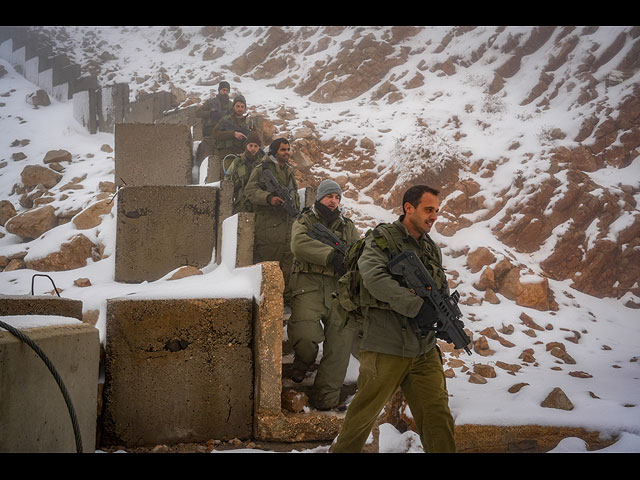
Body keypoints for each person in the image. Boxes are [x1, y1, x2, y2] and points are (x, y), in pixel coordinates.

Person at [330, 185, 456, 453]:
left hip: (423, 349)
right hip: (386, 346)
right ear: (408, 208)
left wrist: (443, 321)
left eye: (436, 211)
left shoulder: (431, 248)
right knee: (362, 417)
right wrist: (417, 307)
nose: (434, 216)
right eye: (428, 209)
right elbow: (373, 278)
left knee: (437, 416)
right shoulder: (382, 239)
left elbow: (439, 290)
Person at [287, 180, 360, 409]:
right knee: (306, 335)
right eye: (329, 196)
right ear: (319, 197)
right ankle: (303, 361)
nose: (334, 201)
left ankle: (324, 402)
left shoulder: (347, 226)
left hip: (340, 291)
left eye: (337, 197)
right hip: (308, 286)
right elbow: (298, 244)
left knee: (339, 349)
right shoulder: (305, 219)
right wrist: (332, 256)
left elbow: (358, 253)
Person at [244, 138, 300, 294]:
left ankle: (284, 303)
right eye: (283, 149)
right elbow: (250, 191)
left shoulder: (288, 171)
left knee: (287, 269)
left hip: (288, 227)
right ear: (275, 151)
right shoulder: (262, 169)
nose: (287, 152)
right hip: (269, 228)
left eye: (288, 149)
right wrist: (269, 198)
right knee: (268, 272)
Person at [225, 131, 265, 214]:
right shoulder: (238, 161)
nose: (253, 148)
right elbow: (227, 180)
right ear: (246, 146)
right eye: (251, 146)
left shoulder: (263, 163)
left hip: (257, 202)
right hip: (241, 201)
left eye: (256, 146)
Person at [195, 81, 232, 165]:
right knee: (208, 160)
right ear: (219, 90)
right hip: (210, 134)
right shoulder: (211, 102)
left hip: (224, 134)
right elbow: (198, 113)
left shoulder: (231, 105)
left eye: (227, 90)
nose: (225, 92)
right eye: (223, 90)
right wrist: (211, 114)